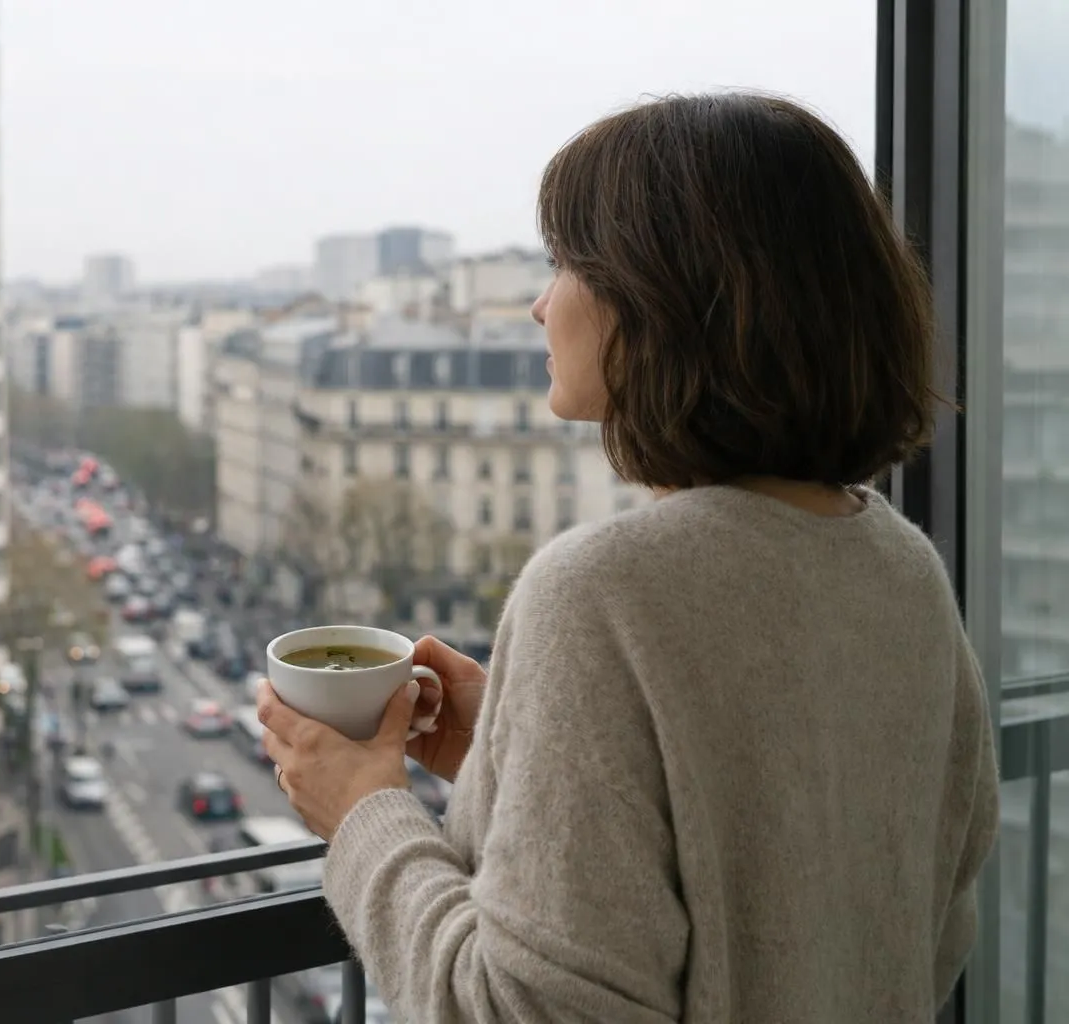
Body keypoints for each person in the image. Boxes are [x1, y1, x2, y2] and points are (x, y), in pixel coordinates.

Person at [256, 92, 999, 1023]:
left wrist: (363, 812)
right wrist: (518, 746)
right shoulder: (898, 565)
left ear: (660, 297)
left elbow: (520, 1010)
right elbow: (921, 917)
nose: (540, 305)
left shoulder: (602, 592)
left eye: (566, 263)